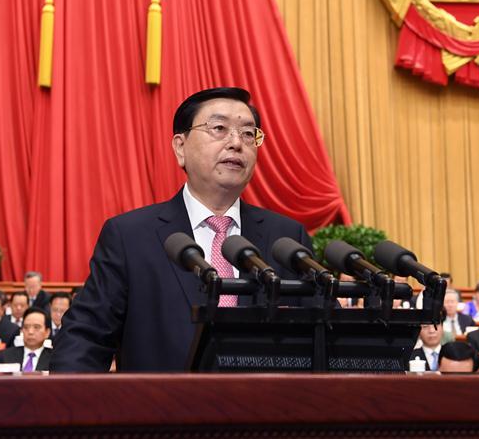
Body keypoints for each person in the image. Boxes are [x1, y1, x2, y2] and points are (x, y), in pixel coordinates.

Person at [51, 87, 312, 372]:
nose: (237, 143)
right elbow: (85, 339)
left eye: (249, 133)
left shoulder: (286, 238)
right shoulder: (130, 236)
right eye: (220, 128)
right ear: (180, 147)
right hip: (162, 412)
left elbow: (321, 337)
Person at [0, 307, 52, 372]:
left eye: (36, 327)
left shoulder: (55, 358)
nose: (30, 332)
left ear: (47, 332)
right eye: (26, 327)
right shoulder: (4, 356)